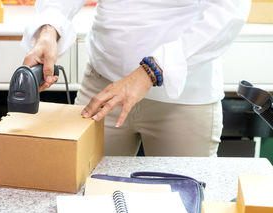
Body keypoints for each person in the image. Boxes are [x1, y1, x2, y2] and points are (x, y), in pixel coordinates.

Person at [21, 0, 251, 156]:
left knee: (180, 209)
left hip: (181, 99)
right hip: (103, 85)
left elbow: (227, 14)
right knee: (86, 195)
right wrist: (49, 29)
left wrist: (150, 70)